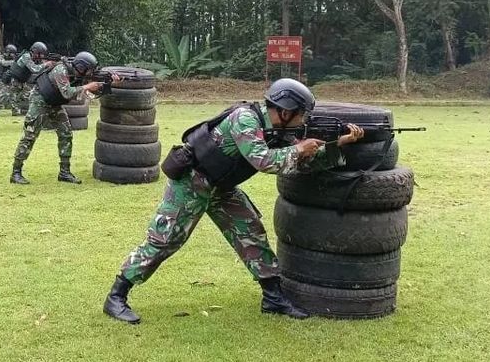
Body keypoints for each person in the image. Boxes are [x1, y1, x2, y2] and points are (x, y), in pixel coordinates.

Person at [102, 78, 365, 325]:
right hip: (192, 183)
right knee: (165, 240)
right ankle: (116, 296)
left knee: (250, 232)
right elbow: (263, 160)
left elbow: (300, 165)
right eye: (301, 114)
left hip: (222, 187)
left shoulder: (278, 131)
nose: (303, 120)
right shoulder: (245, 119)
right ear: (286, 111)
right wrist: (299, 148)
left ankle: (273, 299)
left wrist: (336, 145)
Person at [10, 51, 115, 185]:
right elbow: (67, 93)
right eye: (88, 70)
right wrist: (88, 86)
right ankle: (16, 173)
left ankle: (64, 172)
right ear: (81, 67)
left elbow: (90, 93)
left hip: (54, 103)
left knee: (66, 134)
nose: (89, 73)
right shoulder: (61, 70)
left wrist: (108, 84)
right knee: (29, 136)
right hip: (39, 101)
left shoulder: (76, 74)